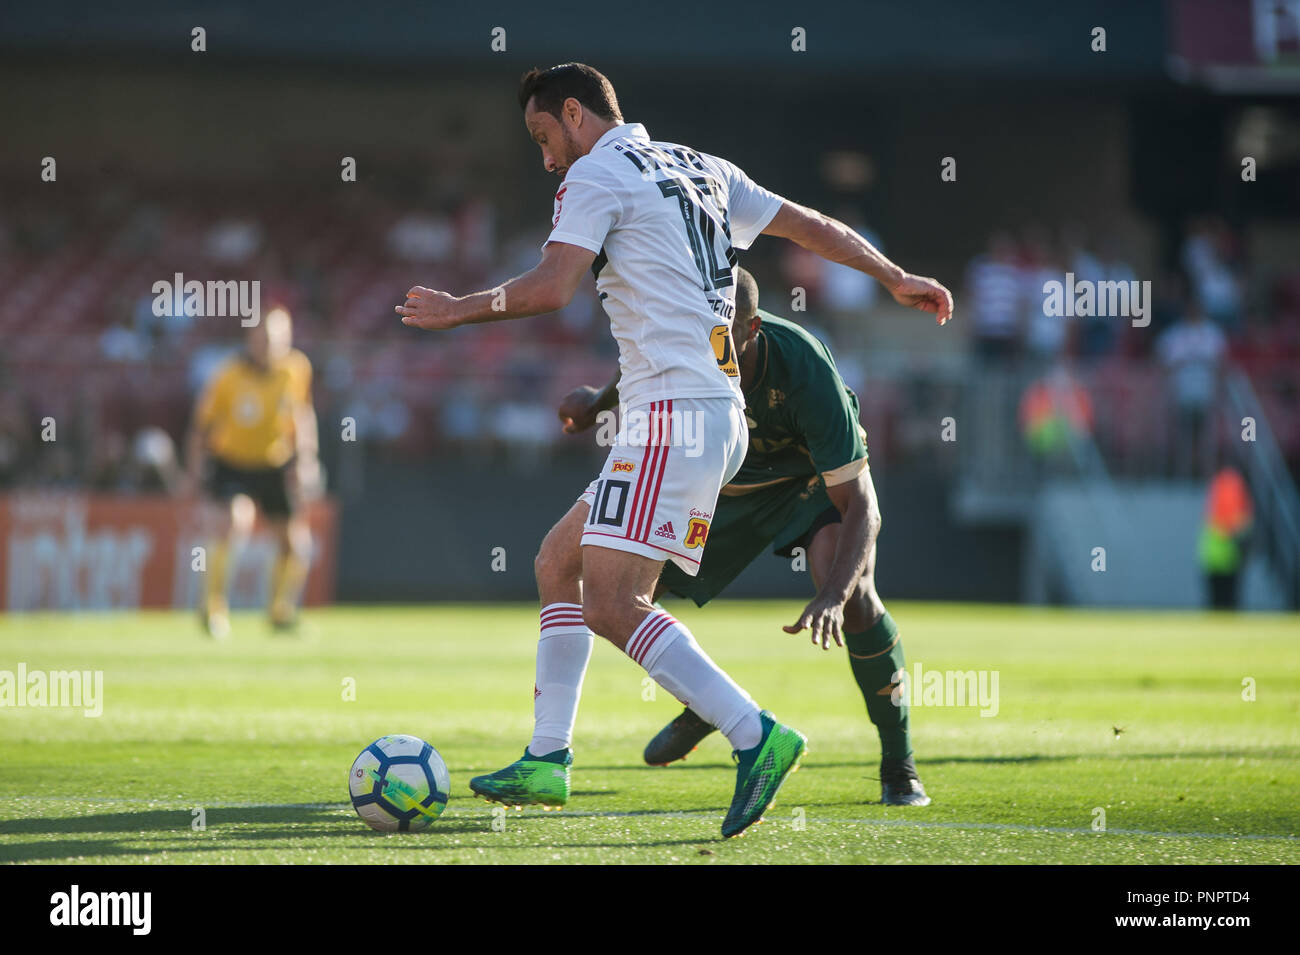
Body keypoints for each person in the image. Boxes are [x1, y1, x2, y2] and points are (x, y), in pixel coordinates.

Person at [396, 63, 952, 836]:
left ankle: (755, 733)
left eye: (543, 136)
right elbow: (808, 225)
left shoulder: (596, 174)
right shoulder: (703, 167)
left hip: (673, 417)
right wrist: (891, 274)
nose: (547, 156)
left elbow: (555, 286)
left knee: (615, 603)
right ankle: (548, 758)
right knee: (559, 562)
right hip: (701, 414)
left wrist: (460, 309)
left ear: (574, 114)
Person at [559, 268, 931, 805]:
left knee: (855, 600)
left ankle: (900, 765)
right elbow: (652, 367)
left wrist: (830, 595)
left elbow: (863, 508)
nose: (709, 349)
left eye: (724, 336)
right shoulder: (694, 335)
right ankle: (712, 703)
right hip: (727, 488)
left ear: (752, 327)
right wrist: (599, 402)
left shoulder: (804, 368)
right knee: (619, 599)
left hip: (810, 484)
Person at [183, 307, 320, 637]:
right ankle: (213, 609)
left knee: (295, 543)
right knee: (234, 522)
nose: (269, 345)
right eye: (263, 338)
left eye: (276, 338)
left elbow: (302, 416)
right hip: (234, 462)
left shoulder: (297, 369)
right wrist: (194, 469)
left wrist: (307, 460)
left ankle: (279, 612)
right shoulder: (228, 374)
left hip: (274, 462)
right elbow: (202, 426)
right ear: (251, 339)